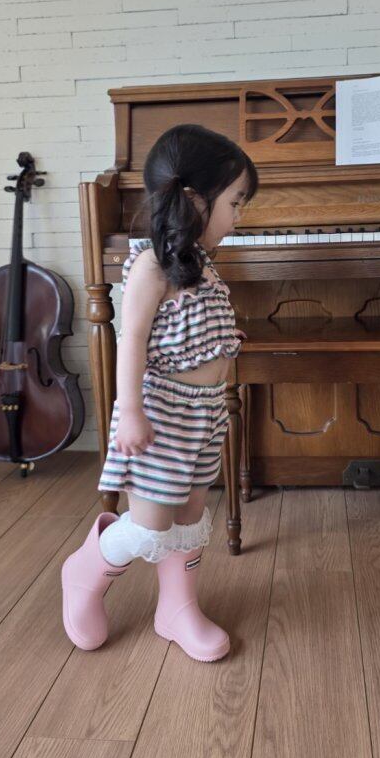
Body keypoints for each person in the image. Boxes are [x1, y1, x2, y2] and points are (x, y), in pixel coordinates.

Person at [62, 123, 258, 662]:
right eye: (235, 203)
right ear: (194, 200)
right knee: (152, 525)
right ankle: (85, 569)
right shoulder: (151, 264)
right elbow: (132, 342)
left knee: (190, 515)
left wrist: (223, 341)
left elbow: (189, 326)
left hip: (205, 413)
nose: (239, 217)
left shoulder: (201, 262)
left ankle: (177, 607)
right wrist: (129, 411)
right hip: (162, 414)